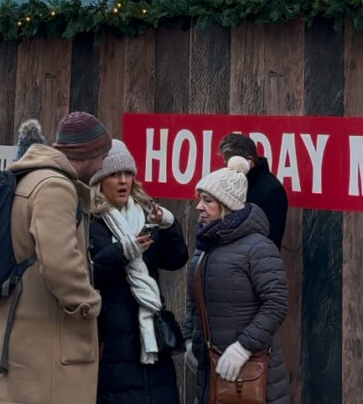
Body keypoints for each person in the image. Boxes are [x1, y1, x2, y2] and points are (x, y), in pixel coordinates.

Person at [0, 111, 108, 404]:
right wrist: (89, 304)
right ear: (89, 153)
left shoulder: (28, 177)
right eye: (103, 155)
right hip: (49, 341)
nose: (104, 164)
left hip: (23, 331)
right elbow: (60, 263)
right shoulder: (54, 187)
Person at [87, 140, 188, 404]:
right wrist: (121, 253)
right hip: (112, 341)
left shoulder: (144, 215)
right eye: (114, 175)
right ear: (99, 180)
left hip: (152, 337)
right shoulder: (89, 221)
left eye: (128, 174)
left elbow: (176, 260)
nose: (123, 181)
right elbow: (86, 276)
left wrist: (169, 226)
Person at [183, 157, 289, 404]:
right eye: (200, 199)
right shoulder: (205, 246)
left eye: (208, 201)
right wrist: (190, 340)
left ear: (227, 206)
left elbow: (276, 304)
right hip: (211, 369)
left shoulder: (258, 247)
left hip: (251, 372)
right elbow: (194, 300)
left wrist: (243, 347)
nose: (199, 207)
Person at [218, 133, 288, 248]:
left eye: (231, 163)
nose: (228, 168)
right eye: (226, 163)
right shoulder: (232, 183)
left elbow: (270, 238)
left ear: (249, 161)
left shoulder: (272, 190)